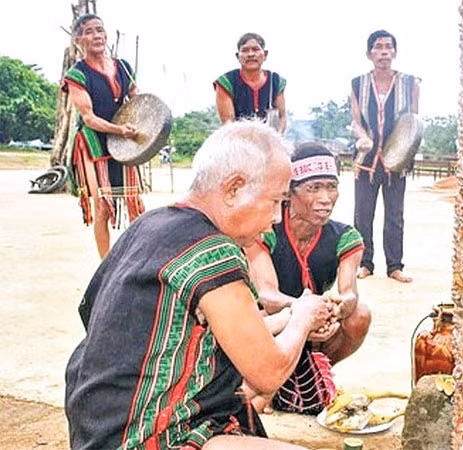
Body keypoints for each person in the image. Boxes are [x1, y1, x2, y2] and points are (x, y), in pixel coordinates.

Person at [64, 121, 331, 449]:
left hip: (97, 432)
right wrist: (302, 318)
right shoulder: (212, 250)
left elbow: (218, 335)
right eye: (276, 201)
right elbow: (268, 372)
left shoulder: (150, 225)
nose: (277, 217)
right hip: (144, 438)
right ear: (233, 189)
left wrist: (291, 316)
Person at [244, 143, 371, 414]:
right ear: (290, 193)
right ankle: (268, 380)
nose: (326, 198)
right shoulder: (265, 230)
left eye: (331, 187)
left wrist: (337, 308)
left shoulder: (345, 236)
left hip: (316, 327)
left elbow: (349, 292)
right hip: (275, 325)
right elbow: (267, 295)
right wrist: (306, 310)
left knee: (359, 314)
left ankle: (314, 373)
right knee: (259, 314)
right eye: (314, 188)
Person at [62, 14, 145, 259]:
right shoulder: (77, 75)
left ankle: (137, 260)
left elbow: (137, 101)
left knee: (134, 203)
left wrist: (143, 127)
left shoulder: (123, 67)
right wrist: (119, 130)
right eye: (89, 32)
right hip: (94, 143)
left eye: (99, 30)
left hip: (123, 140)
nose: (96, 36)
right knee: (103, 206)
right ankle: (106, 265)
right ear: (78, 40)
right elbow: (89, 118)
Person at [350, 29, 420, 283]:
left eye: (388, 47)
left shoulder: (410, 83)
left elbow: (413, 121)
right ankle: (364, 263)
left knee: (394, 216)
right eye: (378, 47)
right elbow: (356, 120)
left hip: (396, 160)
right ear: (369, 54)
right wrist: (362, 138)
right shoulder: (358, 84)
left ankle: (394, 266)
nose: (383, 52)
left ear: (395, 52)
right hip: (366, 160)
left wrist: (407, 151)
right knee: (362, 215)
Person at [214, 32, 287, 132]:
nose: (250, 54)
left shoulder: (276, 81)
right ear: (238, 56)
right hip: (237, 137)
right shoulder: (226, 82)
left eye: (255, 49)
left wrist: (276, 137)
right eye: (244, 50)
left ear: (265, 55)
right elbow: (228, 123)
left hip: (270, 137)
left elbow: (281, 118)